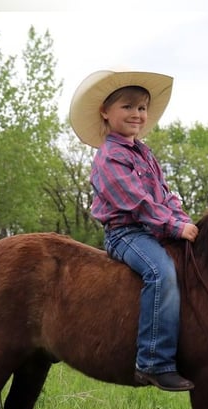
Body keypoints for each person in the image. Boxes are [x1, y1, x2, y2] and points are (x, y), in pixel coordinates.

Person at [69, 70, 198, 392]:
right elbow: (136, 203)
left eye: (142, 108)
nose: (137, 114)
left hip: (156, 230)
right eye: (127, 107)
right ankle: (153, 361)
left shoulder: (144, 153)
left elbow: (164, 194)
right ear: (105, 112)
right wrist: (173, 225)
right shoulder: (108, 156)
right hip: (127, 233)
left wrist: (183, 220)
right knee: (161, 272)